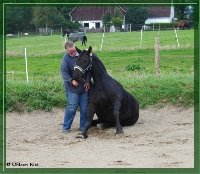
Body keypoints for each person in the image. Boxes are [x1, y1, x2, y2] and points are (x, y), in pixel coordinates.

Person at [61, 41, 90, 132]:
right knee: (72, 108)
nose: (72, 52)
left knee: (85, 108)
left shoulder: (82, 55)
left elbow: (88, 70)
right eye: (70, 51)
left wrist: (88, 82)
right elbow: (64, 73)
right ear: (66, 50)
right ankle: (66, 127)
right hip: (72, 89)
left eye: (73, 50)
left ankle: (83, 127)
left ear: (75, 47)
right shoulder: (65, 59)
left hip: (83, 88)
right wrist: (71, 80)